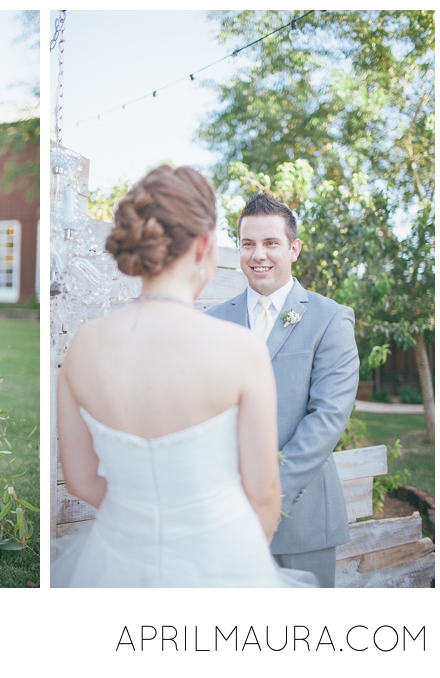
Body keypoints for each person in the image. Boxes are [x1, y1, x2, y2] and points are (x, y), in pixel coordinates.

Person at [51, 165, 316, 587]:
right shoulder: (241, 350)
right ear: (203, 247)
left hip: (117, 557)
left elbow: (81, 478)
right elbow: (264, 493)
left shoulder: (82, 345)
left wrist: (139, 518)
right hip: (222, 557)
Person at [207, 193, 359, 587]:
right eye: (248, 244)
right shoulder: (212, 322)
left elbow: (327, 419)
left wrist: (265, 496)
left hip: (301, 516)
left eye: (271, 243)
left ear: (293, 248)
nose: (259, 255)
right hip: (223, 517)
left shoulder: (330, 319)